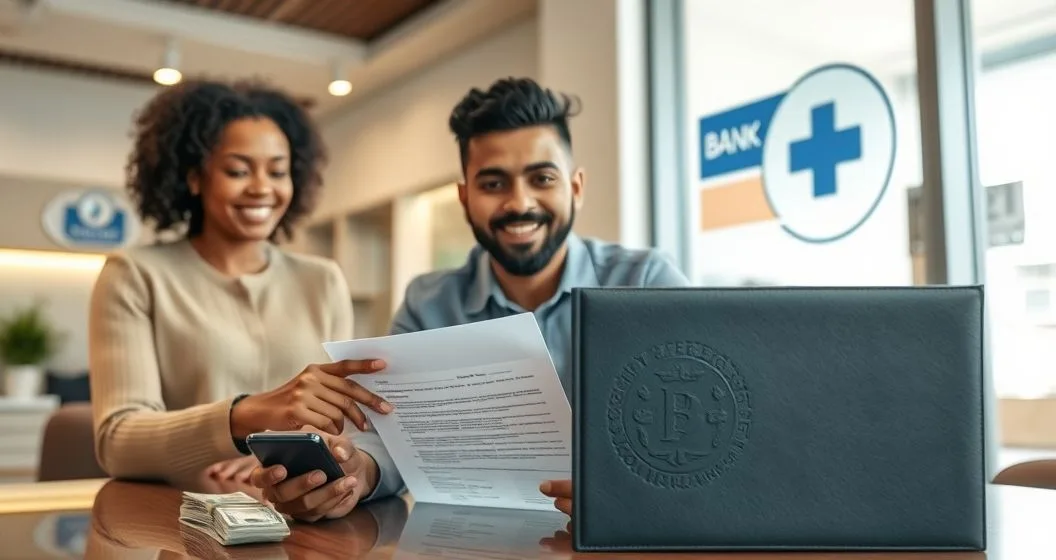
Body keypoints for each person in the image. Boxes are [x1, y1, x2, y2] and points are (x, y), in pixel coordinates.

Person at [250, 77, 690, 519]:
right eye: (493, 183)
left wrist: (632, 486)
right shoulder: (429, 302)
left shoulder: (646, 282)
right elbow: (389, 437)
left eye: (542, 178)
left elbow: (708, 428)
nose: (520, 202)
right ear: (464, 197)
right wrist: (350, 475)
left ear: (575, 187)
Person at [89, 79, 403, 521]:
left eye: (277, 171)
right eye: (238, 170)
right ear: (195, 177)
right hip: (180, 523)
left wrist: (282, 460)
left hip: (296, 520)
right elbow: (117, 441)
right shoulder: (135, 274)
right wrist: (242, 421)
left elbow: (345, 419)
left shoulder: (323, 279)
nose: (262, 188)